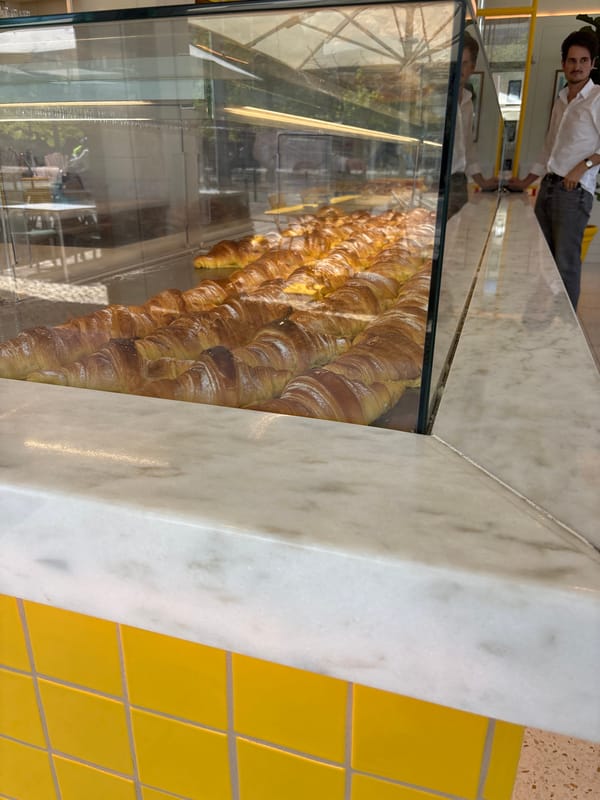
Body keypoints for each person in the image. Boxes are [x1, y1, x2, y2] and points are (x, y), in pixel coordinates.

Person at [508, 30, 600, 310]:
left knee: (566, 263)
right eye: (572, 60)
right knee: (543, 258)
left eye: (584, 60)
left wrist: (580, 168)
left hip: (574, 192)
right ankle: (543, 317)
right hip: (548, 187)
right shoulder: (562, 99)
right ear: (563, 63)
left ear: (593, 63)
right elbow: (549, 148)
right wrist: (526, 181)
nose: (577, 66)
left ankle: (566, 329)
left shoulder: (597, 98)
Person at [448, 32, 498, 218]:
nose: (459, 69)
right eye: (455, 63)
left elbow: (467, 147)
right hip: (435, 182)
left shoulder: (467, 102)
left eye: (464, 63)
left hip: (459, 182)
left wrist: (481, 181)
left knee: (455, 237)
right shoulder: (437, 100)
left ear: (472, 67)